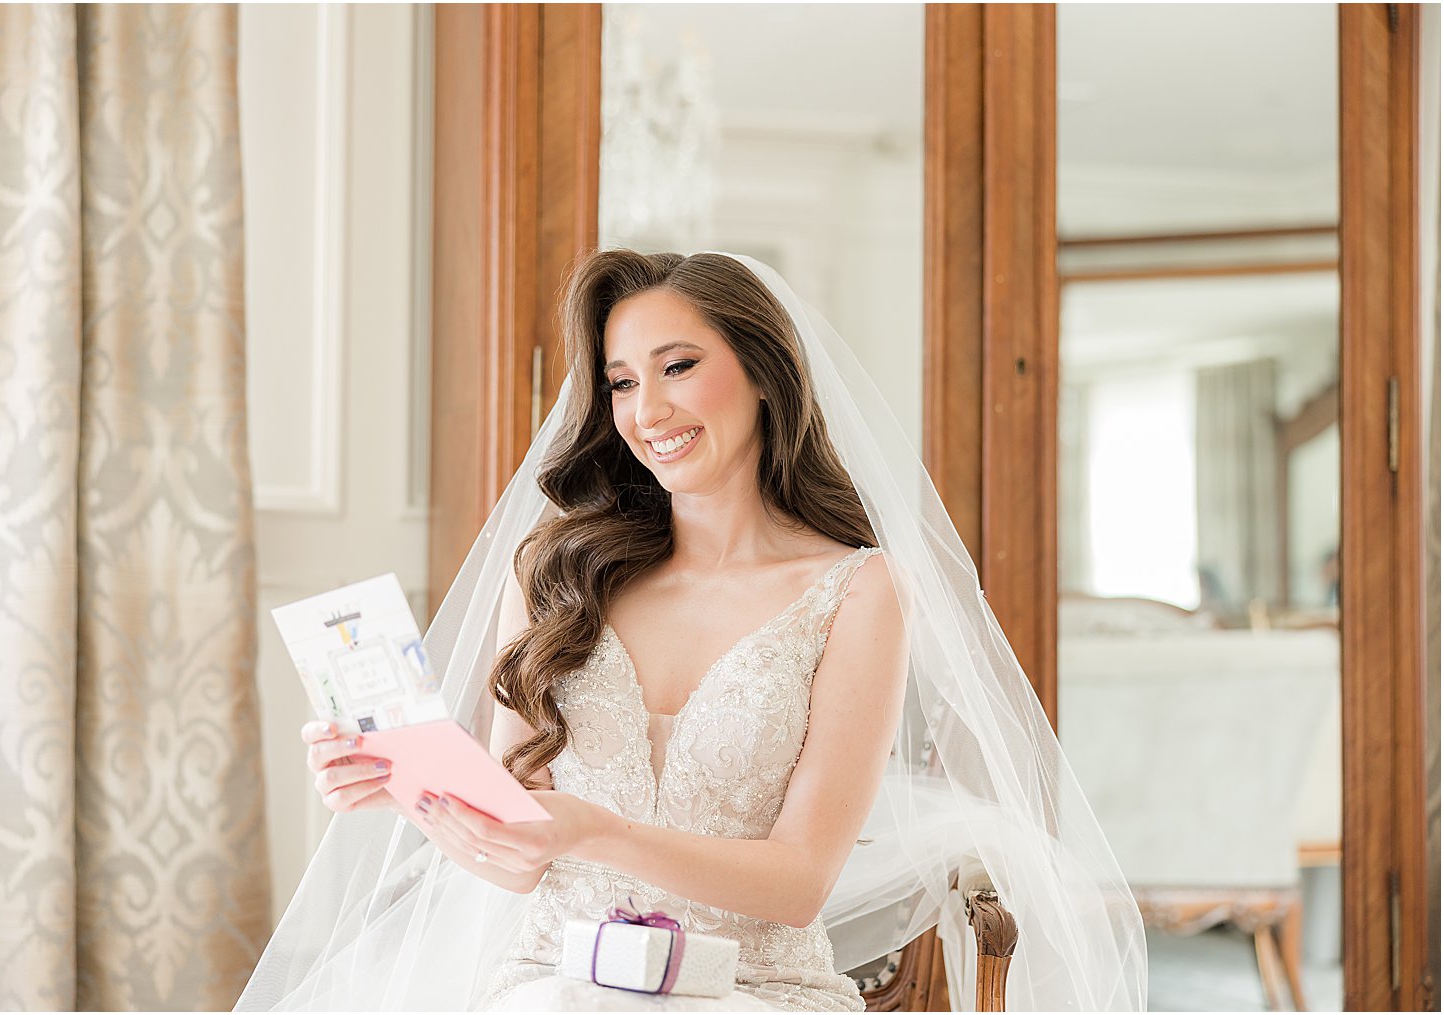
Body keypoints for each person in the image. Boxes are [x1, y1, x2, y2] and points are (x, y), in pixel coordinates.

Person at [236, 250, 1147, 1012]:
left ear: (762, 372)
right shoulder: (552, 576)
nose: (648, 411)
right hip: (551, 979)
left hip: (753, 990)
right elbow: (516, 862)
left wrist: (589, 830)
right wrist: (414, 791)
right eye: (622, 382)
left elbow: (798, 880)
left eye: (678, 367)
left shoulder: (860, 591)